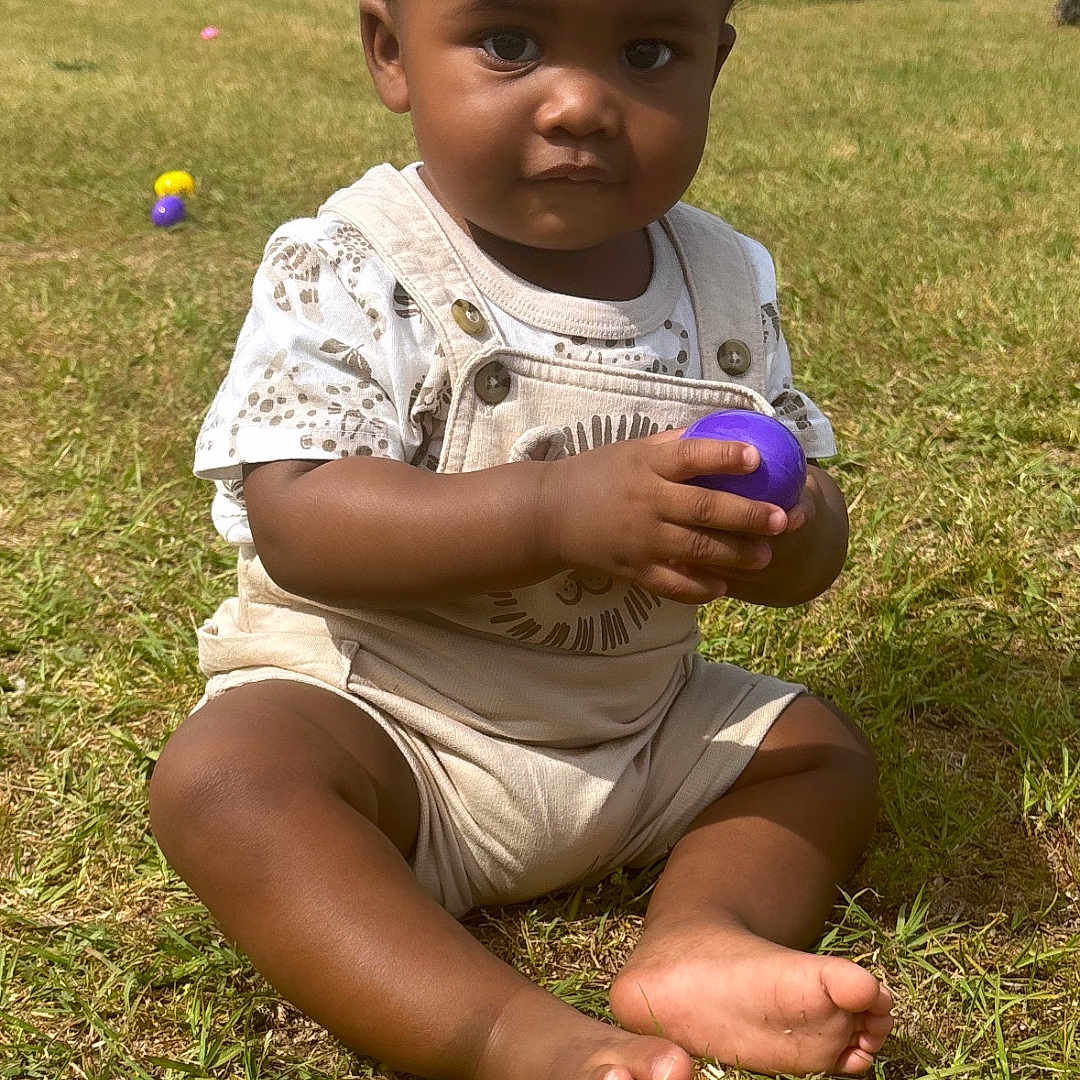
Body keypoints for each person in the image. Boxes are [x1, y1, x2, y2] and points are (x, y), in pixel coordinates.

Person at [149, 1, 895, 1077]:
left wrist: (791, 533)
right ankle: (509, 1036)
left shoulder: (726, 280)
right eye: (509, 43)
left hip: (643, 727)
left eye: (648, 53)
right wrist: (550, 511)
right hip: (397, 722)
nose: (582, 103)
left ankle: (700, 940)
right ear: (391, 52)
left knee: (815, 749)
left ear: (714, 64)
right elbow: (300, 518)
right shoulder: (358, 264)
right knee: (228, 778)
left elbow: (803, 531)